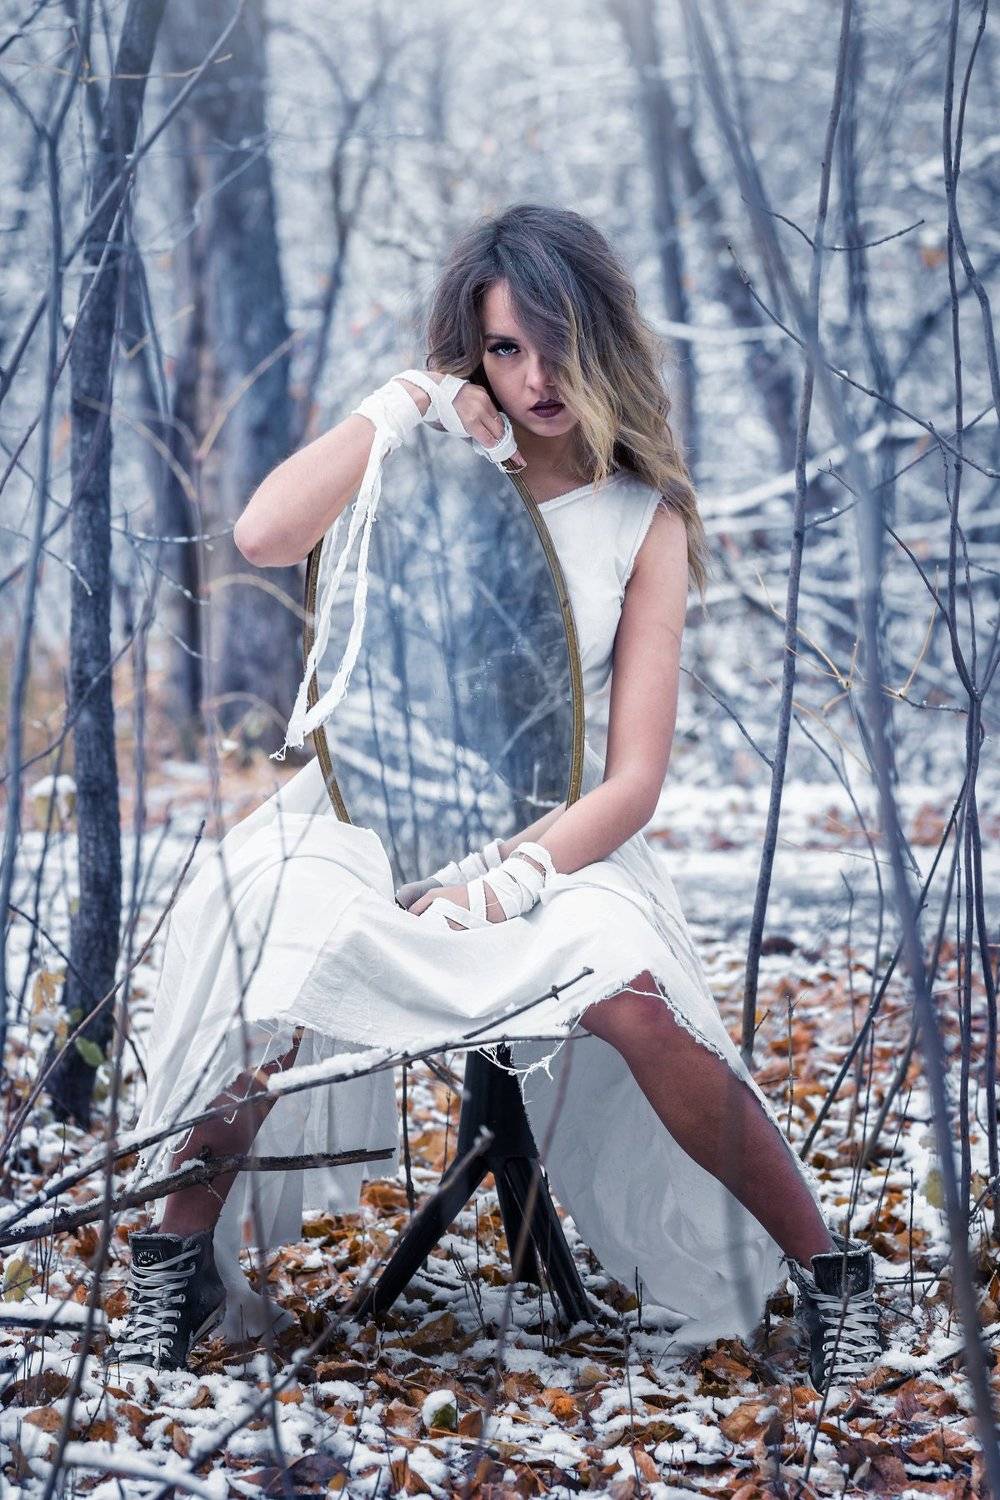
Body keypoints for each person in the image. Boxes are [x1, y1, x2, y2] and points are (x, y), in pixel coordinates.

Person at [109, 203, 885, 1394]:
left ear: (602, 335)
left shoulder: (642, 518)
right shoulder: (420, 461)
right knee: (275, 930)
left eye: (555, 343)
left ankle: (832, 1273)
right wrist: (403, 404)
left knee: (632, 993)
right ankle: (177, 1262)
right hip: (361, 813)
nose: (534, 378)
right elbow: (262, 533)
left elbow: (633, 779)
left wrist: (505, 882)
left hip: (558, 834)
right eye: (504, 350)